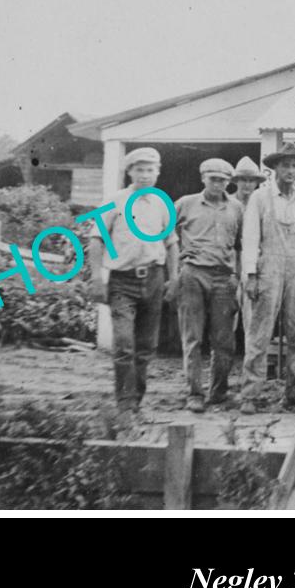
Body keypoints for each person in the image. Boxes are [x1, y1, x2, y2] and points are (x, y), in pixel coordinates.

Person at [86, 146, 179, 415]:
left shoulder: (162, 203)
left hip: (153, 278)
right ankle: (125, 403)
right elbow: (96, 239)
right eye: (140, 169)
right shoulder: (115, 201)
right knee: (124, 344)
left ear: (158, 173)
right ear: (129, 172)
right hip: (122, 282)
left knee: (146, 347)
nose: (145, 175)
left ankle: (135, 401)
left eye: (151, 170)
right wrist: (96, 278)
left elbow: (171, 242)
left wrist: (173, 279)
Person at [239, 143, 295, 414]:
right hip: (268, 268)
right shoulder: (261, 198)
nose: (289, 170)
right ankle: (250, 394)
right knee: (259, 333)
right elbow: (250, 237)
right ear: (274, 168)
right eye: (284, 165)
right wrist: (251, 274)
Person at [173, 158, 244, 413]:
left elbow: (240, 245)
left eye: (223, 180)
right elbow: (165, 236)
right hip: (193, 274)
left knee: (224, 340)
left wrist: (237, 274)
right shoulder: (185, 204)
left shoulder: (236, 208)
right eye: (213, 179)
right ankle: (194, 393)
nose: (218, 184)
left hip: (224, 277)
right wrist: (177, 263)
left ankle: (219, 393)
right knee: (192, 337)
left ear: (228, 182)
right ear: (203, 178)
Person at [229, 156, 267, 341]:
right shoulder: (227, 203)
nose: (247, 185)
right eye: (243, 180)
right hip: (231, 264)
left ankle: (249, 362)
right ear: (236, 181)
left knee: (252, 317)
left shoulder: (262, 204)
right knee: (227, 316)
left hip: (254, 264)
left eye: (251, 180)